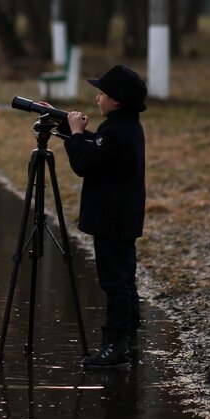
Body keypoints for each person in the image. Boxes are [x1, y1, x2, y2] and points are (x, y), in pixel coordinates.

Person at [63, 64, 147, 369]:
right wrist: (70, 130)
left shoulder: (115, 132)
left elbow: (84, 163)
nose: (97, 97)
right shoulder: (126, 127)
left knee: (115, 283)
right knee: (125, 279)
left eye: (103, 93)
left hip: (112, 220)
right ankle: (129, 340)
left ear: (118, 101)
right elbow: (97, 151)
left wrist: (75, 135)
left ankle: (115, 348)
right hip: (123, 218)